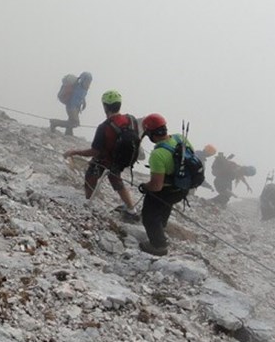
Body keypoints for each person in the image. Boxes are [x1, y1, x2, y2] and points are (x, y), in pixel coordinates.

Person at [63, 89, 139, 222]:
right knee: (116, 180)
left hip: (105, 159)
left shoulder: (104, 127)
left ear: (105, 106)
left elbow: (94, 151)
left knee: (91, 175)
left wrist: (74, 152)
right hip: (121, 160)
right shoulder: (130, 120)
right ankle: (131, 209)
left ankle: (88, 202)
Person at [136, 113, 193, 256]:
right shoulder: (180, 138)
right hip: (183, 188)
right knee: (165, 207)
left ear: (150, 133)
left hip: (167, 190)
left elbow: (156, 186)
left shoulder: (158, 154)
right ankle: (161, 228)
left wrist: (144, 186)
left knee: (149, 215)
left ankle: (158, 245)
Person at [50, 71, 91, 136]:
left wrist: (84, 102)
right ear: (83, 79)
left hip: (76, 106)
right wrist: (73, 108)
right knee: (75, 123)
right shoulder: (78, 86)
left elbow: (81, 96)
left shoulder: (84, 87)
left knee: (71, 120)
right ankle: (55, 122)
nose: (89, 83)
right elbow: (75, 97)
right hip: (72, 106)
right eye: (88, 81)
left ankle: (68, 132)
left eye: (89, 81)